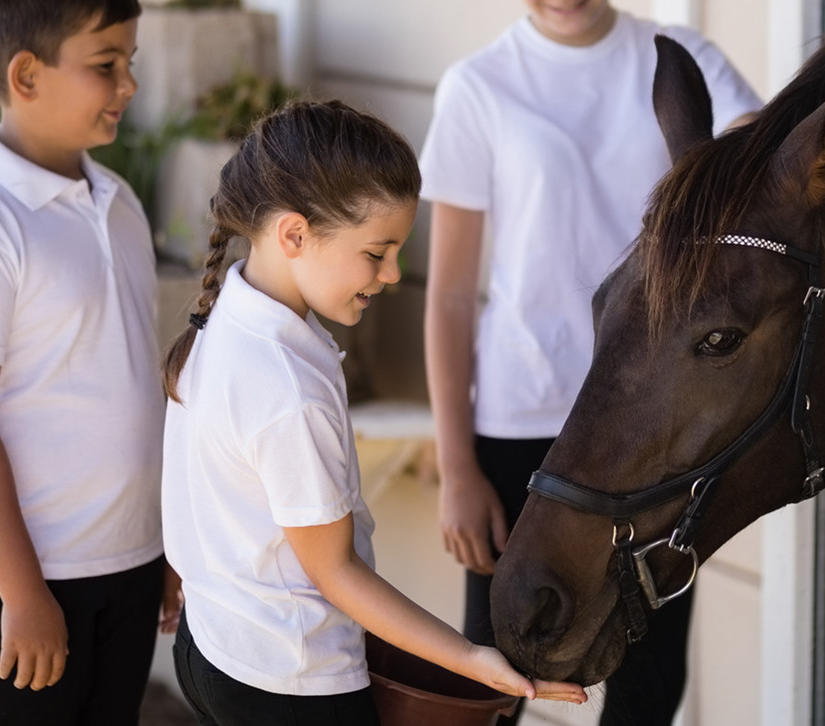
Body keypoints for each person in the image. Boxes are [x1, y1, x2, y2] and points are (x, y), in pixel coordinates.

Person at [161, 100, 588, 725]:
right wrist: (470, 659)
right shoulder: (287, 387)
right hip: (291, 683)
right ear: (294, 234)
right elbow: (335, 572)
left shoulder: (228, 314)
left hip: (211, 647)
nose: (391, 274)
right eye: (376, 252)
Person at [419, 1, 762, 723]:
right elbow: (448, 295)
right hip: (522, 418)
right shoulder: (478, 86)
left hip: (654, 419)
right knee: (496, 677)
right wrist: (456, 468)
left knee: (648, 680)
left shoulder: (680, 61)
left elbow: (759, 159)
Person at [0, 1, 178, 723]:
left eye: (130, 62)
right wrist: (24, 594)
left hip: (128, 561)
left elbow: (133, 385)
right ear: (26, 75)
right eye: (105, 64)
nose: (128, 84)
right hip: (19, 579)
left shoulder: (120, 203)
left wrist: (163, 543)